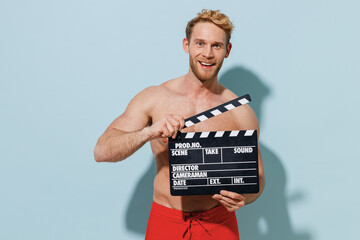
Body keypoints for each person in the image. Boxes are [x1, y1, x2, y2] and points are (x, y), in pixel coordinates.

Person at [94, 9, 265, 240]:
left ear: (227, 50)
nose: (207, 54)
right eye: (200, 43)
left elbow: (258, 178)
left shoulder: (241, 112)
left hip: (219, 223)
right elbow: (102, 151)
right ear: (186, 45)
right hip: (167, 220)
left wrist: (245, 196)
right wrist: (148, 132)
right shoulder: (154, 98)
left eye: (216, 45)